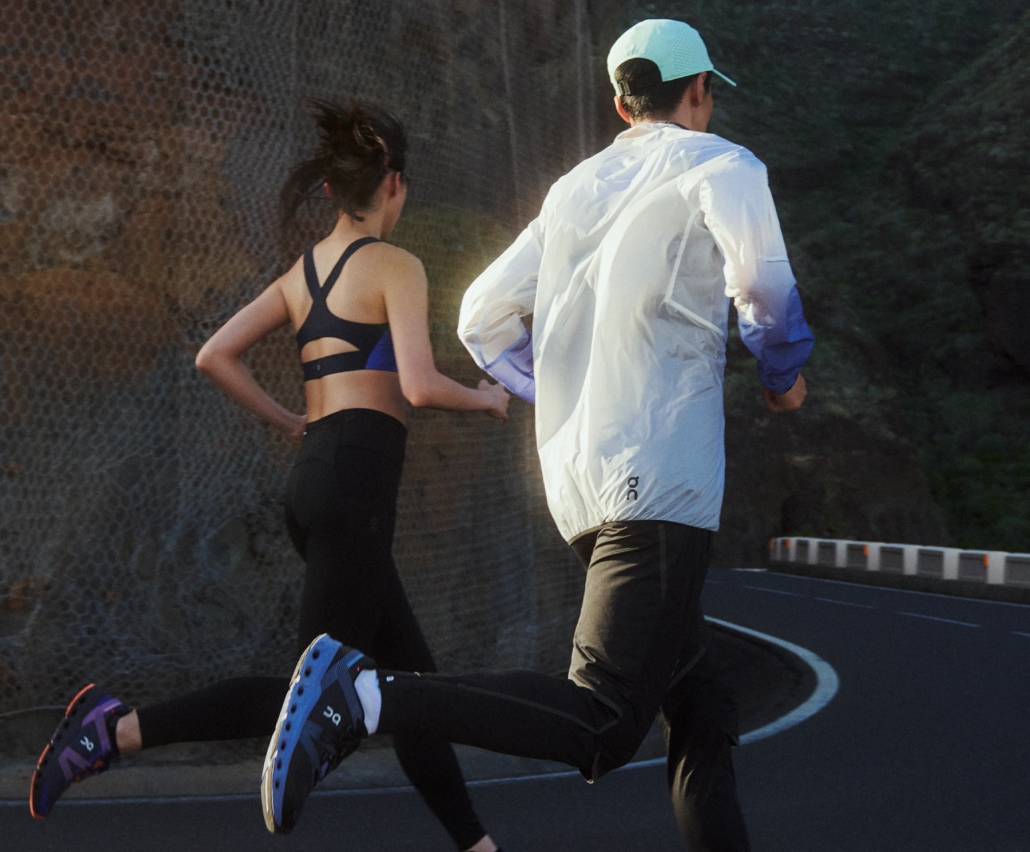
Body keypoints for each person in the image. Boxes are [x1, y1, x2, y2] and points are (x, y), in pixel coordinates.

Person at [261, 19, 814, 851]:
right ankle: (368, 696)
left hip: (579, 484)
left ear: (621, 103)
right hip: (658, 480)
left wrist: (554, 383)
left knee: (702, 703)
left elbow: (480, 315)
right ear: (699, 92)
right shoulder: (721, 165)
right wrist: (783, 377)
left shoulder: (572, 192)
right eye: (707, 93)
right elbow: (764, 290)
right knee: (602, 719)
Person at [28, 99, 508, 852]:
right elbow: (416, 384)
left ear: (330, 190)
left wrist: (290, 421)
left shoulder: (302, 275)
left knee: (409, 691)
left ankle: (477, 845)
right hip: (355, 486)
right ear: (396, 185)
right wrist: (485, 398)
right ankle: (109, 733)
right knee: (308, 702)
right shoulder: (395, 266)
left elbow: (214, 354)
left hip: (319, 477)